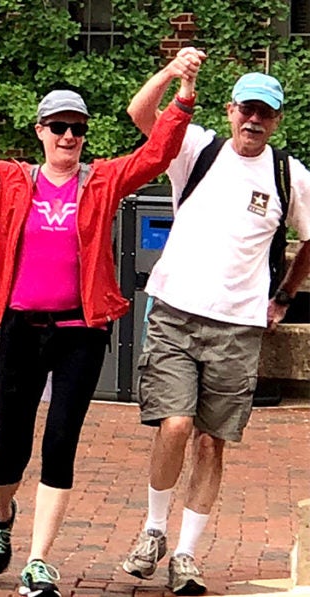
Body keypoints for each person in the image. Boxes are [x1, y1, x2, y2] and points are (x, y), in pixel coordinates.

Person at [0, 47, 201, 597]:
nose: (68, 137)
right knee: (10, 449)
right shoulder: (13, 181)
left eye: (77, 129)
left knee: (60, 442)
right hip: (21, 327)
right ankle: (2, 514)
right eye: (58, 127)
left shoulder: (101, 182)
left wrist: (181, 90)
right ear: (40, 131)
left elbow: (157, 153)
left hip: (81, 331)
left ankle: (38, 561)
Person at [121, 59, 310, 595]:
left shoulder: (288, 175)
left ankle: (185, 555)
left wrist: (284, 297)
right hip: (177, 313)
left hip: (239, 329)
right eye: (246, 109)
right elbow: (140, 112)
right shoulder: (195, 148)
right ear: (230, 110)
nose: (253, 120)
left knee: (212, 442)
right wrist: (173, 72)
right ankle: (154, 530)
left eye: (264, 113)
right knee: (175, 425)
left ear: (275, 120)